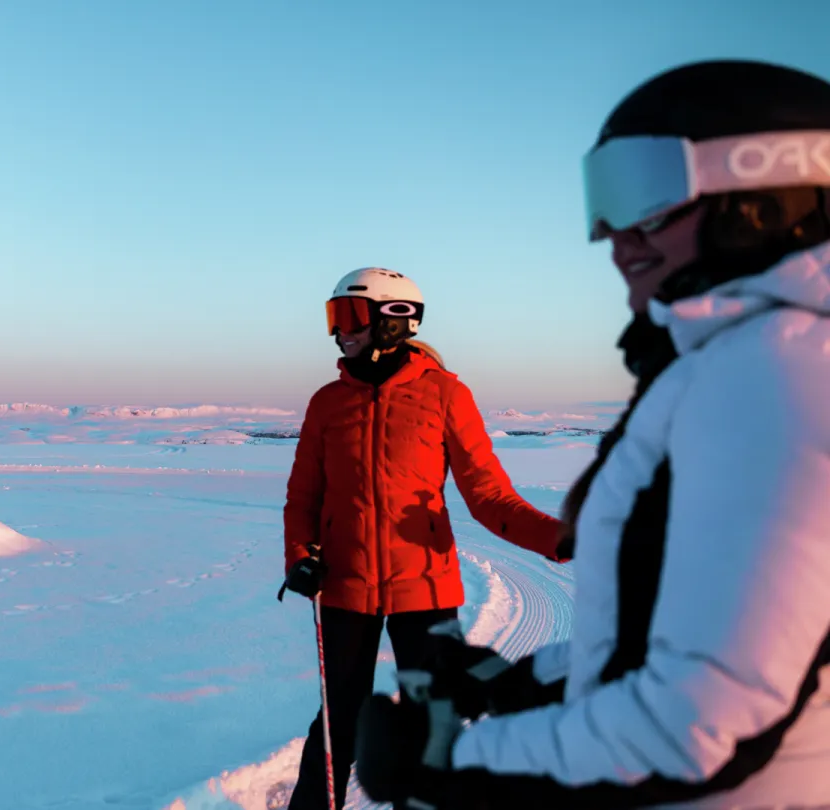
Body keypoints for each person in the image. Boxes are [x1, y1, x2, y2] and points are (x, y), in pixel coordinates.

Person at [353, 59, 830, 809]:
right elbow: (675, 642)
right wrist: (519, 680)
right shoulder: (738, 365)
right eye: (601, 201)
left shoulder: (776, 376)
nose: (612, 236)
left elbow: (696, 727)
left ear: (764, 194)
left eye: (643, 191)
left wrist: (449, 769)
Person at [278, 266, 566, 810]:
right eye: (334, 317)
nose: (341, 331)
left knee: (434, 715)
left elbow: (490, 497)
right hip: (343, 587)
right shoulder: (326, 403)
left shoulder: (445, 395)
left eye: (351, 316)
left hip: (426, 588)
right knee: (339, 719)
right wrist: (299, 556)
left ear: (394, 319)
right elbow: (303, 499)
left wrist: (562, 538)